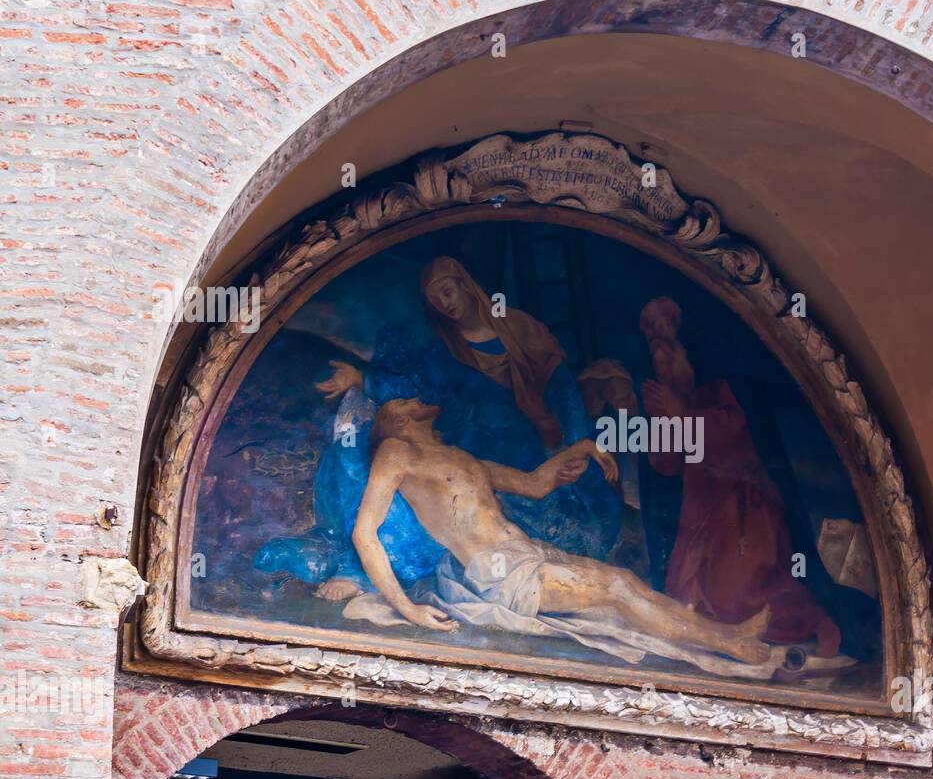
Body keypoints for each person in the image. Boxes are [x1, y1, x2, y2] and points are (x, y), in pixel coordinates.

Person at [255, 255, 620, 600]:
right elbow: (419, 392)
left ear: (466, 286)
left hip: (525, 445)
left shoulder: (521, 328)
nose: (445, 303)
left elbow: (563, 392)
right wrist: (363, 380)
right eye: (435, 299)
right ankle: (363, 574)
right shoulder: (446, 350)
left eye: (448, 291)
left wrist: (579, 442)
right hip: (473, 443)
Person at [352, 397, 775, 675]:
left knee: (625, 584)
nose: (416, 397)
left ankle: (728, 633)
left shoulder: (463, 459)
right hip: (499, 572)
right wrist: (407, 610)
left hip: (526, 552)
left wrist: (585, 447)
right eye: (405, 400)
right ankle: (726, 643)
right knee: (617, 586)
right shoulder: (398, 452)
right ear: (400, 420)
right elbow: (364, 532)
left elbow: (535, 484)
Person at [639, 296, 843, 658]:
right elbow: (665, 465)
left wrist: (681, 413)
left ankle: (813, 618)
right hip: (699, 514)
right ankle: (721, 646)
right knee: (686, 595)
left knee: (737, 592)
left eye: (662, 328)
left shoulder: (722, 386)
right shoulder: (670, 391)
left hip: (744, 509)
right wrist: (664, 419)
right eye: (649, 333)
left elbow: (735, 436)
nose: (656, 341)